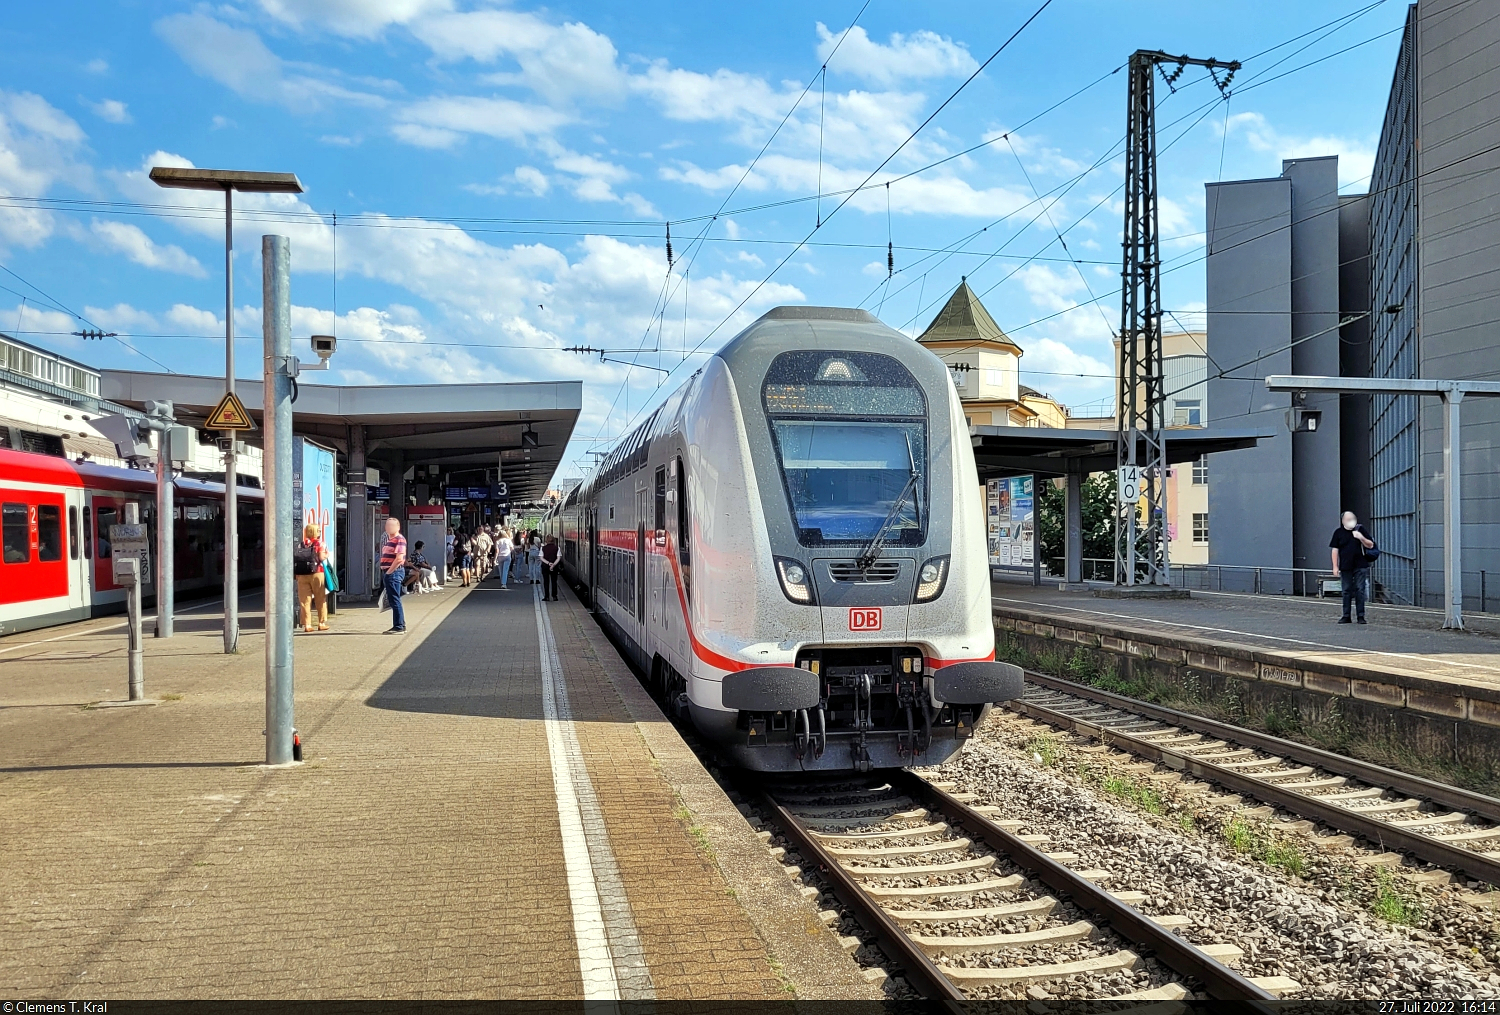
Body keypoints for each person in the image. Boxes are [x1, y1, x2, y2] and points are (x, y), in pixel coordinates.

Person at [1330, 510, 1376, 625]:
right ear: (1343, 520)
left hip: (1360, 565)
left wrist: (1360, 537)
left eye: (1353, 518)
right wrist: (1335, 566)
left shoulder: (1360, 530)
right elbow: (1335, 550)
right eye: (1348, 519)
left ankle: (1361, 616)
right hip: (1345, 566)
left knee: (1360, 590)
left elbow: (1370, 545)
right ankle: (1346, 615)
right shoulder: (1338, 533)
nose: (1351, 521)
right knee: (1346, 591)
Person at [294, 522, 330, 632]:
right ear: (315, 532)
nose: (319, 532)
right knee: (320, 598)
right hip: (317, 573)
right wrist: (327, 554)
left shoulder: (301, 544)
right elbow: (321, 557)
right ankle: (321, 623)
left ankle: (307, 625)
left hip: (302, 574)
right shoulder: (320, 543)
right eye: (318, 530)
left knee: (304, 601)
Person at [379, 516, 408, 634]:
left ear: (398, 527)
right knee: (393, 599)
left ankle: (399, 626)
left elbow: (399, 559)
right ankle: (400, 624)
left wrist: (389, 572)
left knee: (394, 599)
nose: (389, 527)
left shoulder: (399, 539)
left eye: (392, 525)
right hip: (390, 572)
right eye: (387, 525)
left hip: (394, 572)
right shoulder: (390, 540)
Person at [541, 533, 561, 602]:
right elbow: (558, 558)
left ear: (546, 540)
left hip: (545, 567)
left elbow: (541, 558)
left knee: (546, 582)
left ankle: (546, 596)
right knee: (554, 581)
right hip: (554, 567)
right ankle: (554, 596)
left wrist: (548, 563)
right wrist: (553, 565)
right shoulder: (557, 548)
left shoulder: (543, 548)